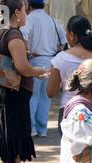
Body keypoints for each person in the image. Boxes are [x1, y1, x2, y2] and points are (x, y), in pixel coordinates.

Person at [0, 0, 50, 163]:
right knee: (13, 148)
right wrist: (39, 71)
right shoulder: (14, 35)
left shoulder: (2, 31)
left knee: (6, 147)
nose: (27, 13)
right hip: (12, 97)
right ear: (16, 12)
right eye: (24, 9)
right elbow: (23, 68)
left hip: (0, 94)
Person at [47, 15, 92, 136]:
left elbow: (50, 93)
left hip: (68, 111)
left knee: (72, 151)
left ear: (71, 34)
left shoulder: (60, 59)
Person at [20, 0, 67, 137]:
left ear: (29, 5)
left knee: (32, 96)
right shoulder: (52, 20)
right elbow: (63, 41)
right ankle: (42, 129)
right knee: (45, 97)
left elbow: (23, 38)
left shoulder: (29, 19)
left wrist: (27, 52)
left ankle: (32, 128)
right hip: (51, 61)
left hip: (35, 60)